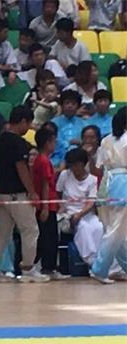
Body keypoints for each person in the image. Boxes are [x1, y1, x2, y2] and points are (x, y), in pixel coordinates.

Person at [0, 106, 49, 283]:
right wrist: (32, 191)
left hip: (0, 192)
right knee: (30, 230)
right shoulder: (18, 143)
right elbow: (21, 168)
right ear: (22, 121)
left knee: (2, 232)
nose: (28, 128)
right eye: (28, 123)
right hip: (17, 194)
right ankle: (28, 269)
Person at [90, 108, 127, 283]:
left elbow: (97, 169)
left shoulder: (105, 140)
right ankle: (99, 268)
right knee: (116, 230)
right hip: (123, 183)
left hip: (106, 184)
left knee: (117, 231)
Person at [56, 148, 104, 267]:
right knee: (84, 228)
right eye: (71, 165)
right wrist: (62, 208)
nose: (74, 168)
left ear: (83, 164)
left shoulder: (92, 179)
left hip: (86, 213)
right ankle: (91, 260)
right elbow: (58, 193)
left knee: (99, 227)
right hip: (68, 213)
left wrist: (80, 214)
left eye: (76, 165)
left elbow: (91, 202)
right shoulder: (64, 175)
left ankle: (100, 259)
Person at [32, 127, 64, 278]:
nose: (55, 144)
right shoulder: (43, 161)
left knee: (49, 237)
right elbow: (45, 184)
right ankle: (47, 268)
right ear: (47, 143)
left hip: (49, 204)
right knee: (48, 238)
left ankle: (47, 267)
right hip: (46, 205)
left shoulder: (42, 160)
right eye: (53, 141)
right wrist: (45, 207)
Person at [51, 89, 86, 167]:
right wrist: (68, 144)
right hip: (57, 156)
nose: (70, 106)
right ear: (62, 105)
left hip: (79, 156)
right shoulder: (53, 123)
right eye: (67, 103)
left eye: (73, 103)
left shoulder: (84, 124)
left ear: (78, 106)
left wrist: (80, 143)